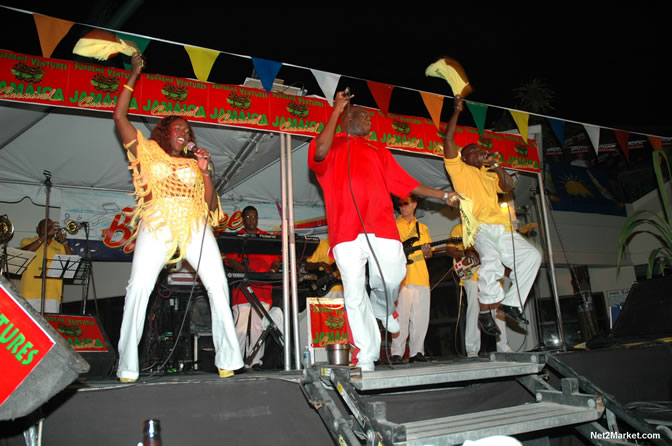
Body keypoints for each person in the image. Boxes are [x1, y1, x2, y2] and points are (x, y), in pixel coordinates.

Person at [308, 90, 461, 371]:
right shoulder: (331, 143)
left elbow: (408, 183)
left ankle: (383, 306)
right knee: (354, 293)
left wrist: (443, 195)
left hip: (380, 226)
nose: (369, 120)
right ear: (347, 118)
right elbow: (318, 153)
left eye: (370, 117)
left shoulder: (378, 149)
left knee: (394, 273)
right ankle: (365, 355)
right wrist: (336, 109)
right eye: (363, 115)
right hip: (344, 231)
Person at [113, 52, 242, 382]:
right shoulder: (147, 151)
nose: (185, 131)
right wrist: (134, 74)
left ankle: (228, 359)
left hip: (194, 223)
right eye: (179, 127)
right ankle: (127, 365)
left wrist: (206, 171)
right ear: (165, 132)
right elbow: (119, 116)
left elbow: (209, 206)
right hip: (158, 221)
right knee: (139, 287)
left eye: (188, 129)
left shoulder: (194, 164)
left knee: (218, 284)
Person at [443, 96, 541, 333]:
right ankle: (485, 313)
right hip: (479, 227)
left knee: (533, 256)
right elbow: (448, 140)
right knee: (492, 262)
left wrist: (496, 165)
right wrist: (456, 111)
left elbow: (508, 186)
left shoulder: (489, 175)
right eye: (474, 151)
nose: (480, 152)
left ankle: (511, 303)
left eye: (481, 150)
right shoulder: (458, 170)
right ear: (464, 157)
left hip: (502, 227)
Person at [226, 206, 282, 369]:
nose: (251, 220)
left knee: (259, 326)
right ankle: (236, 361)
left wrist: (274, 267)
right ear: (243, 219)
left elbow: (277, 258)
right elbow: (232, 260)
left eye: (254, 217)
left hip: (262, 288)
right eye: (248, 217)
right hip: (243, 288)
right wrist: (247, 272)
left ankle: (254, 361)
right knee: (240, 325)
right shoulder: (237, 238)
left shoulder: (266, 237)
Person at [446, 223, 511, 357]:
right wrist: (464, 252)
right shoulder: (459, 228)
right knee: (474, 309)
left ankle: (503, 346)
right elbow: (449, 250)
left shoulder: (488, 225)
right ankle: (472, 349)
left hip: (490, 274)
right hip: (471, 274)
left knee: (497, 310)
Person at [390, 195, 432, 363]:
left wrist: (427, 251)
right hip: (401, 278)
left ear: (414, 204)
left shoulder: (423, 228)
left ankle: (417, 352)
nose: (402, 207)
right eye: (400, 204)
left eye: (405, 203)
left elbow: (428, 254)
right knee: (400, 317)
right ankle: (397, 353)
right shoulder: (393, 225)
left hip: (421, 277)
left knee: (420, 318)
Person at [19, 219, 73, 313]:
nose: (50, 228)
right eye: (47, 226)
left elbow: (72, 260)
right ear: (38, 229)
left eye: (51, 226)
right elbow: (25, 252)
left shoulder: (59, 246)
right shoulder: (27, 241)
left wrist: (64, 242)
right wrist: (44, 236)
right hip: (29, 293)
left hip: (52, 295)